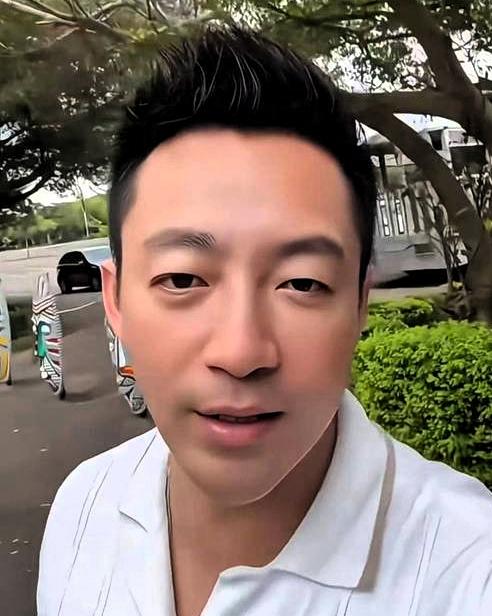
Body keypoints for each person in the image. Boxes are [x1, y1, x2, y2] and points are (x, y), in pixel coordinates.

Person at [37, 26, 492, 616]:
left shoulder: (467, 570)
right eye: (183, 279)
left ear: (359, 305)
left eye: (302, 283)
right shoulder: (82, 509)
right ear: (116, 301)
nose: (241, 351)